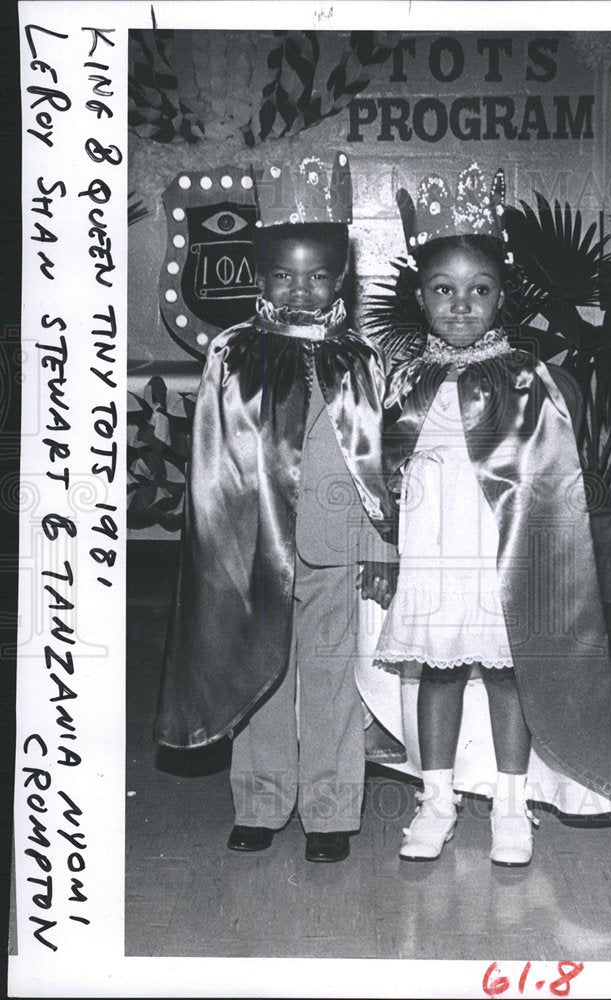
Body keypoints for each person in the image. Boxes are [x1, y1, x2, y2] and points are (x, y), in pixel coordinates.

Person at [370, 165, 611, 867]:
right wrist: (385, 551)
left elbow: (552, 482)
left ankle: (511, 806)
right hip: (432, 550)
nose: (460, 305)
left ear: (500, 299)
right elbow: (384, 476)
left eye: (478, 291)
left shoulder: (526, 375)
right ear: (419, 297)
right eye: (443, 291)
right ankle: (436, 800)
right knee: (438, 670)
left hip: (503, 552)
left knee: (511, 670)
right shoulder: (403, 378)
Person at [153, 152, 397, 864]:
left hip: (336, 547)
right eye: (283, 275)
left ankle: (328, 813)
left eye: (317, 276)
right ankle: (260, 800)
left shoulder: (359, 357)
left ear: (340, 279)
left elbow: (376, 461)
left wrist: (381, 547)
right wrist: (215, 550)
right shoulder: (233, 352)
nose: (300, 289)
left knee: (328, 677)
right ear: (259, 276)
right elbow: (212, 457)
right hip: (254, 546)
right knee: (260, 676)